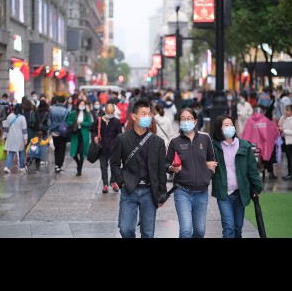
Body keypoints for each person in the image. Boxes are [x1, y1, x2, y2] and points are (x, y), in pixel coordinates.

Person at [110, 99, 167, 238]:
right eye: (143, 114)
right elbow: (115, 163)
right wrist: (121, 182)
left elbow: (161, 169)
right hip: (129, 189)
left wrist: (162, 193)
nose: (147, 117)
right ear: (134, 117)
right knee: (125, 229)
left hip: (149, 190)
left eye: (149, 114)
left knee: (148, 233)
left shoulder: (157, 141)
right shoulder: (122, 138)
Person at [166, 108, 216, 238]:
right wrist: (172, 168)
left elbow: (212, 160)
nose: (186, 121)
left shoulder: (205, 138)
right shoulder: (174, 141)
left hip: (202, 192)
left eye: (189, 118)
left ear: (195, 121)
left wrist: (207, 175)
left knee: (200, 231)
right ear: (179, 122)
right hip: (182, 191)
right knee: (186, 230)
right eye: (183, 119)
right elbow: (165, 164)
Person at [212, 114, 263, 238]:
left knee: (237, 227)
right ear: (219, 129)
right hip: (224, 193)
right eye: (226, 125)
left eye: (231, 124)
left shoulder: (244, 146)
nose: (230, 127)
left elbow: (252, 170)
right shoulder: (214, 147)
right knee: (228, 227)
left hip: (240, 193)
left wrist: (256, 188)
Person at [91, 102, 122, 193]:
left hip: (113, 148)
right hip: (102, 147)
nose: (110, 114)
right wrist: (95, 136)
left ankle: (113, 182)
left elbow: (119, 135)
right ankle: (105, 184)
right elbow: (93, 130)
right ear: (105, 111)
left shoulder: (116, 121)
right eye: (108, 112)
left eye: (112, 112)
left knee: (114, 166)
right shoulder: (99, 120)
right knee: (103, 167)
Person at [241, 106, 280, 179]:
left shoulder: (249, 121)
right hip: (265, 146)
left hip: (252, 146)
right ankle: (271, 172)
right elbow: (274, 130)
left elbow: (245, 133)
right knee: (270, 151)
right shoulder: (266, 120)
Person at [66, 99, 93, 176]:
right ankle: (78, 163)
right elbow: (68, 121)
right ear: (78, 105)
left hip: (84, 135)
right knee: (74, 153)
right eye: (80, 104)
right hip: (75, 134)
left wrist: (82, 123)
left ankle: (79, 170)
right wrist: (74, 123)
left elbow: (90, 123)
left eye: (83, 104)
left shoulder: (88, 114)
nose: (82, 105)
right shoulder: (73, 113)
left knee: (82, 153)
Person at [3, 103, 28, 173]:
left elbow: (6, 128)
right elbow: (24, 130)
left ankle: (7, 167)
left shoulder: (9, 116)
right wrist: (25, 138)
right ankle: (22, 167)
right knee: (21, 153)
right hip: (20, 138)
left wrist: (4, 136)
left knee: (11, 152)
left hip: (11, 137)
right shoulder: (22, 118)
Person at [47, 96, 70, 173]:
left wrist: (50, 129)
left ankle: (56, 164)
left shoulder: (51, 110)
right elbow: (68, 122)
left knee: (56, 148)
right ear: (64, 102)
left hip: (54, 132)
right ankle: (59, 165)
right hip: (63, 131)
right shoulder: (67, 110)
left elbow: (49, 121)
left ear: (57, 102)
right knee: (62, 149)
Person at [279, 105, 292, 180]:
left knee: (290, 159)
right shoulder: (286, 118)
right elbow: (280, 124)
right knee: (288, 158)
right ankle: (289, 173)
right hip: (287, 142)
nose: (286, 112)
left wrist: (284, 131)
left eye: (288, 110)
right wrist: (282, 118)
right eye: (286, 110)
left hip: (291, 142)